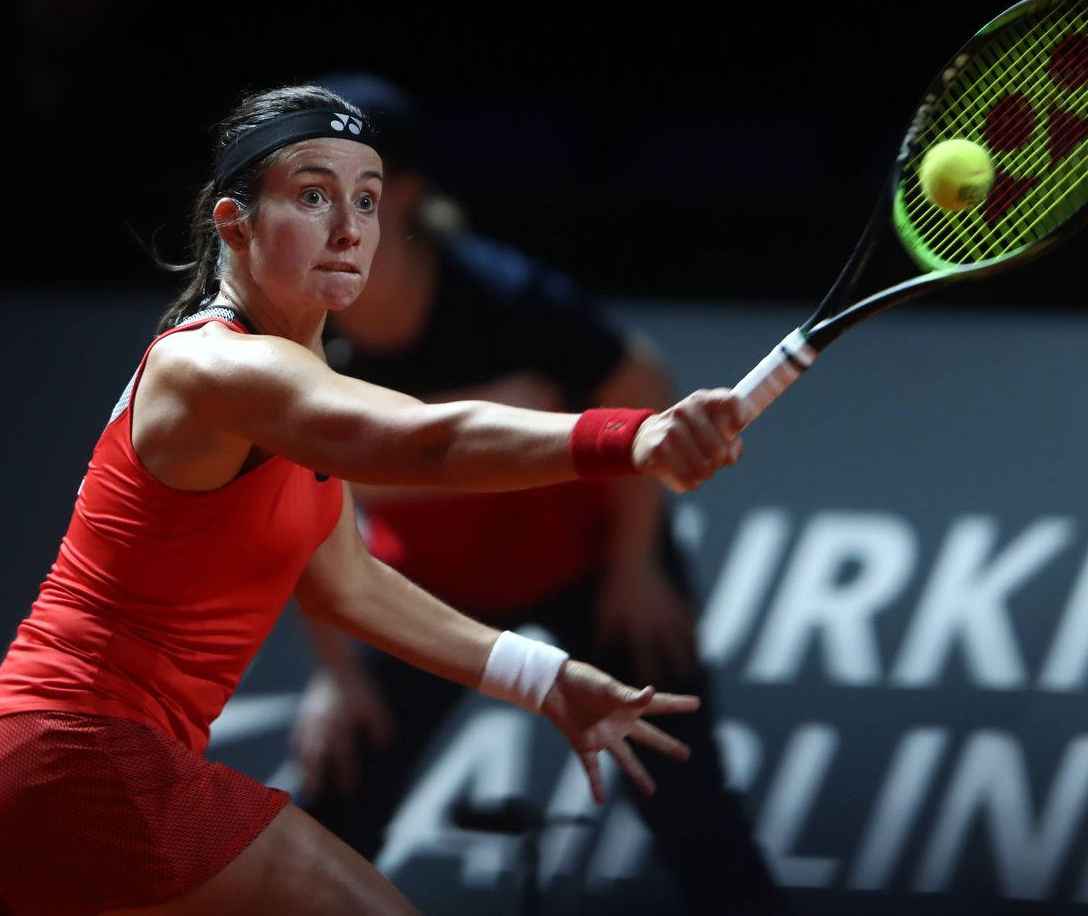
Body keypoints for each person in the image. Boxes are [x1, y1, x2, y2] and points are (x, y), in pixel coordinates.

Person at [0, 84, 749, 916]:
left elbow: (348, 582)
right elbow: (428, 441)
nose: (350, 227)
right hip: (80, 756)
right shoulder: (217, 366)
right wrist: (627, 441)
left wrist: (546, 677)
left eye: (369, 199)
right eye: (313, 195)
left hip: (3, 765)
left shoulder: (283, 394)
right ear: (234, 222)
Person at [289, 74, 783, 915]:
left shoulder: (506, 298)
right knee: (332, 810)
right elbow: (298, 508)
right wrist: (336, 673)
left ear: (400, 193)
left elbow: (639, 379)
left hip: (589, 566)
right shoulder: (289, 331)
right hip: (432, 585)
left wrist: (635, 565)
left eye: (345, 187)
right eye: (298, 190)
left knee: (694, 817)